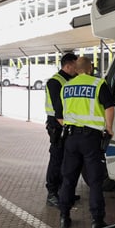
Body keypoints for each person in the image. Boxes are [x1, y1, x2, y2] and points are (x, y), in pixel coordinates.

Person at [58, 56, 115, 228]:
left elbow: (61, 113)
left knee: (68, 179)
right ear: (90, 68)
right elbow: (109, 107)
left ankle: (64, 216)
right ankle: (97, 219)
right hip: (91, 139)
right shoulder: (98, 84)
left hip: (70, 138)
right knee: (95, 180)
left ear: (75, 69)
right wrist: (109, 128)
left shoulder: (66, 87)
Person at [44, 52, 78, 207]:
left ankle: (64, 191)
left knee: (67, 160)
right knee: (57, 159)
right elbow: (58, 109)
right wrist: (67, 126)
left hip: (67, 124)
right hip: (58, 125)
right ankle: (52, 193)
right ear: (68, 65)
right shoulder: (55, 82)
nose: (77, 69)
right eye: (75, 66)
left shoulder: (71, 80)